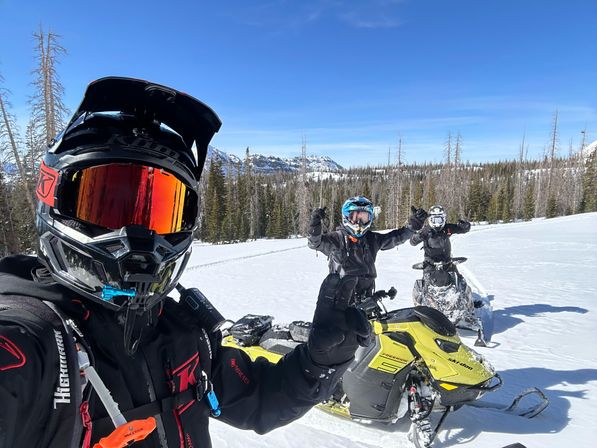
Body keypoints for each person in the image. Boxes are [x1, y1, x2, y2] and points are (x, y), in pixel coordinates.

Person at [0, 77, 370, 448]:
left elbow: (258, 399)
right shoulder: (33, 341)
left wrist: (317, 363)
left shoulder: (180, 335)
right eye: (106, 205)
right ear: (55, 198)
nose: (138, 236)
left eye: (161, 211)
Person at [308, 196, 428, 300]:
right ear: (346, 217)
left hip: (367, 298)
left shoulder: (371, 239)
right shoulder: (336, 239)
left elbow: (395, 238)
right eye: (355, 217)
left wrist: (413, 226)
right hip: (340, 301)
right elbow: (315, 243)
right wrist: (315, 224)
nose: (359, 222)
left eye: (364, 217)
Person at [409, 204, 471, 270]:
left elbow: (463, 229)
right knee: (428, 278)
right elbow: (413, 242)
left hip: (447, 262)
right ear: (430, 219)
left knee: (459, 278)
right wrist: (418, 236)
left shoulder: (447, 228)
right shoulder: (426, 230)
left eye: (439, 220)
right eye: (434, 220)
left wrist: (465, 226)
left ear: (443, 219)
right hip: (429, 264)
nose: (437, 223)